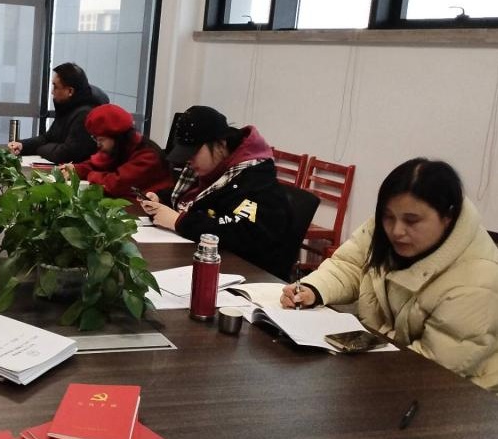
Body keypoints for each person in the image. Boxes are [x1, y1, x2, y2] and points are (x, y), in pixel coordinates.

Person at [282, 158, 498, 392]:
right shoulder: (384, 229)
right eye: (388, 217)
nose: (396, 230)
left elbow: (431, 367)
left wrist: (356, 370)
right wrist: (313, 289)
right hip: (384, 364)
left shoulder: (477, 279)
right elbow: (350, 264)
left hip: (458, 395)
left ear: (448, 216)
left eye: (412, 221)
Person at [140, 105, 291, 278]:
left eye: (193, 153)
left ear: (221, 144)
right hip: (202, 260)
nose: (189, 160)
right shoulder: (211, 168)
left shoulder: (257, 182)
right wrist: (160, 199)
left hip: (246, 275)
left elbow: (239, 232)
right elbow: (191, 197)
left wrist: (179, 221)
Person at [61, 103, 174, 199]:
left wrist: (90, 175)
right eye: (95, 139)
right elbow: (96, 164)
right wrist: (75, 169)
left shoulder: (148, 156)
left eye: (101, 140)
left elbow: (114, 185)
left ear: (117, 137)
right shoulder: (120, 149)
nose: (98, 145)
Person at [7, 62, 104, 164]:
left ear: (70, 91)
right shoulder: (67, 108)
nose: (52, 92)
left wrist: (40, 149)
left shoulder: (85, 115)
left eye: (55, 87)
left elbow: (66, 154)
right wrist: (22, 145)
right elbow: (47, 138)